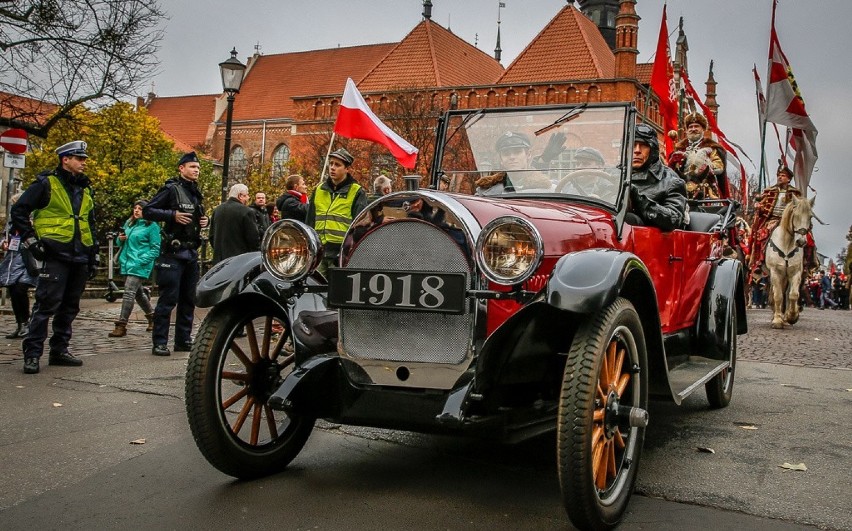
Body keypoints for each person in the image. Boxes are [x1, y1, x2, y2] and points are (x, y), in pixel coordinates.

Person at [12, 140, 99, 374]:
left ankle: (59, 350)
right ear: (65, 160)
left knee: (70, 307)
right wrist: (31, 242)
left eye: (84, 159)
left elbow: (90, 223)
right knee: (46, 305)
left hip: (80, 254)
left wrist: (94, 254)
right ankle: (32, 354)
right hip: (55, 253)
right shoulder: (46, 183)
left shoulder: (85, 188)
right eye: (79, 159)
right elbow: (19, 211)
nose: (83, 163)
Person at [143, 151, 209, 357]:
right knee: (168, 299)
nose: (196, 170)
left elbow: (197, 216)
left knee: (188, 300)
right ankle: (160, 342)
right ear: (181, 169)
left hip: (190, 252)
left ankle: (183, 339)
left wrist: (204, 221)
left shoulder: (195, 192)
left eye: (198, 168)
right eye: (192, 167)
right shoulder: (172, 189)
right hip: (173, 252)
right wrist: (172, 215)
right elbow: (148, 210)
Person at [306, 148, 368, 276]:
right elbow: (310, 220)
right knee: (315, 290)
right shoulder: (319, 189)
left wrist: (349, 251)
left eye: (337, 165)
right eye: (331, 163)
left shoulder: (357, 192)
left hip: (341, 253)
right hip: (319, 251)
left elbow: (360, 226)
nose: (332, 168)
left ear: (347, 169)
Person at [108, 200, 161, 338]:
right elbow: (121, 243)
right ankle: (152, 318)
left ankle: (122, 324)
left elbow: (155, 249)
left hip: (139, 265)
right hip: (127, 263)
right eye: (135, 208)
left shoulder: (152, 226)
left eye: (140, 209)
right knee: (138, 293)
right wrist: (120, 239)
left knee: (128, 292)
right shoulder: (129, 223)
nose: (136, 211)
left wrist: (141, 261)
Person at [625, 124, 687, 231]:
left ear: (652, 149)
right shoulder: (615, 175)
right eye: (633, 145)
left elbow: (674, 219)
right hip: (606, 236)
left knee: (629, 219)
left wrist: (638, 199)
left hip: (647, 242)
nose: (637, 150)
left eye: (644, 145)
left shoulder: (671, 180)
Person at [747, 163, 802, 284]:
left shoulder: (795, 193)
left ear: (788, 178)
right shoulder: (769, 191)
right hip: (772, 220)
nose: (780, 178)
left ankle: (808, 262)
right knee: (760, 236)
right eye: (779, 175)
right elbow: (763, 209)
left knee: (806, 237)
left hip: (789, 221)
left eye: (782, 176)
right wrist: (758, 207)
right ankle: (759, 263)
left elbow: (799, 209)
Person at [0, 192, 37, 339]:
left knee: (21, 287)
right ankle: (20, 324)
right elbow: (4, 236)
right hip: (12, 259)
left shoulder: (32, 218)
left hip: (27, 258)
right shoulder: (11, 221)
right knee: (13, 290)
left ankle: (27, 323)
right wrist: (4, 243)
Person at [668, 112, 725, 200]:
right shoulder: (679, 149)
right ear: (686, 130)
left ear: (703, 129)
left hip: (705, 191)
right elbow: (669, 174)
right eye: (690, 127)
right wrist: (672, 163)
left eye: (696, 126)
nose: (693, 129)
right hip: (681, 191)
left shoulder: (711, 148)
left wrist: (708, 168)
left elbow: (719, 167)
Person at [475, 131, 551, 195]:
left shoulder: (549, 188)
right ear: (501, 159)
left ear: (528, 154)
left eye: (517, 152)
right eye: (506, 153)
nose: (512, 157)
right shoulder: (484, 192)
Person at [209, 183, 260, 264]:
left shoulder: (217, 210)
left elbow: (211, 236)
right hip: (239, 261)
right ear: (240, 196)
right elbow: (253, 238)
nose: (248, 198)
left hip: (219, 261)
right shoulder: (247, 211)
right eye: (246, 195)